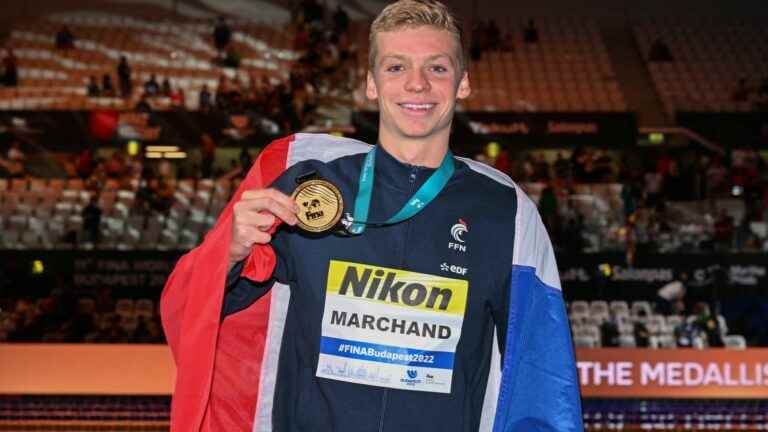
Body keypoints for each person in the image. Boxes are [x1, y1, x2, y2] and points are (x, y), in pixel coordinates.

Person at [161, 1, 582, 431]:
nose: (416, 85)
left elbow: (540, 371)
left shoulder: (504, 213)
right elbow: (199, 315)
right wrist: (227, 255)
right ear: (371, 84)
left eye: (436, 68)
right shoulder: (306, 190)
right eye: (396, 67)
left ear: (463, 83)